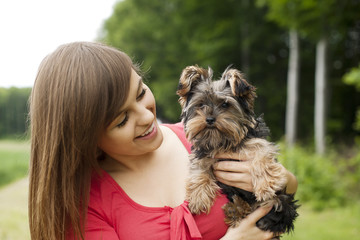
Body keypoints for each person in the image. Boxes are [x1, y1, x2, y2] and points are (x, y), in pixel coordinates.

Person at [28, 42, 298, 240]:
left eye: (141, 92)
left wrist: (285, 180)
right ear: (85, 138)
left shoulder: (206, 139)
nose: (146, 117)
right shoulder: (82, 208)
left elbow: (282, 189)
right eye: (122, 120)